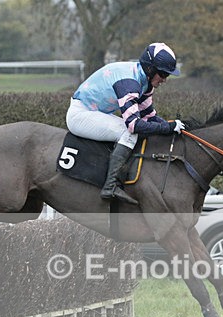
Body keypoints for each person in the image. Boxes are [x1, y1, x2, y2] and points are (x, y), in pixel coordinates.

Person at [66, 42, 185, 205]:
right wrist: (167, 127)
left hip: (94, 113)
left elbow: (149, 117)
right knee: (128, 133)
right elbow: (134, 125)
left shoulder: (145, 82)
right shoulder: (130, 83)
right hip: (80, 115)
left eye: (167, 75)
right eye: (163, 74)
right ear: (150, 69)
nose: (164, 80)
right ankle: (111, 185)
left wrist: (175, 127)